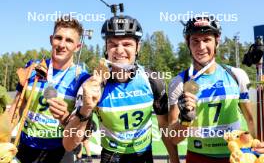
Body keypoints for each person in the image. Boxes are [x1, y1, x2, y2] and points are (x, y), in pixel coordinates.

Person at [63, 12, 179, 163]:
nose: (119, 50)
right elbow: (69, 144)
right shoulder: (94, 84)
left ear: (138, 47)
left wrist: (175, 160)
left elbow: (164, 126)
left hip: (143, 155)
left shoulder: (152, 80)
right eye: (113, 44)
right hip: (110, 156)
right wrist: (85, 109)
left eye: (127, 44)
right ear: (106, 48)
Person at [168, 16, 255, 163]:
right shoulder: (179, 82)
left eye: (207, 40)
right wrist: (184, 119)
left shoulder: (236, 75)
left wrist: (257, 151)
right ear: (187, 43)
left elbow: (252, 121)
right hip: (197, 157)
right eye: (195, 41)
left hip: (234, 155)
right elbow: (174, 139)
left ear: (217, 41)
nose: (201, 47)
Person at [8, 15, 90, 163]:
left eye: (69, 40)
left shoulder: (82, 79)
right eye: (58, 38)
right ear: (51, 39)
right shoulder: (33, 68)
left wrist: (65, 117)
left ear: (78, 47)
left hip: (60, 152)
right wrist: (3, 136)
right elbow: (15, 108)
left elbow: (83, 129)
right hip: (26, 148)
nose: (62, 44)